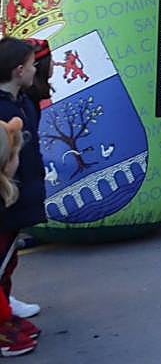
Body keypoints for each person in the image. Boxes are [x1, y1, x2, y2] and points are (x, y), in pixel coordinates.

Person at [0, 38, 46, 352]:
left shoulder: (23, 103)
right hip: (5, 199)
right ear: (19, 70)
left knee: (7, 262)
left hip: (17, 195)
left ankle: (6, 314)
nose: (35, 69)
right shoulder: (5, 109)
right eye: (32, 65)